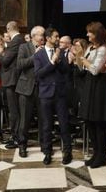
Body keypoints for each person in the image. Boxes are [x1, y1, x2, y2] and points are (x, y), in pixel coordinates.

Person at [34, 27, 72, 165]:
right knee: (46, 125)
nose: (58, 39)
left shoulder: (61, 52)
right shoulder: (38, 54)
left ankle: (67, 151)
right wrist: (52, 62)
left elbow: (66, 70)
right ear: (48, 38)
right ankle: (47, 151)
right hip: (45, 94)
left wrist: (59, 60)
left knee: (64, 124)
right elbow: (38, 74)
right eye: (56, 36)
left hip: (60, 94)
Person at [78, 22, 106, 168]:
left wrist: (84, 60)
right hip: (89, 86)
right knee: (89, 122)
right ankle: (96, 153)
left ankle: (101, 155)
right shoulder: (91, 48)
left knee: (98, 123)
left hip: (99, 88)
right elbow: (82, 68)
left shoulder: (103, 49)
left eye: (90, 33)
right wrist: (80, 58)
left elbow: (94, 70)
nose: (87, 35)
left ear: (97, 34)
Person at [15, 26, 45, 158]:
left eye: (43, 35)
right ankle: (22, 145)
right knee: (25, 119)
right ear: (33, 36)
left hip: (42, 88)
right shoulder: (24, 47)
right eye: (40, 35)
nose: (43, 37)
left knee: (44, 119)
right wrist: (35, 56)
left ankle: (45, 145)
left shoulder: (46, 48)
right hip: (26, 88)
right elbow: (20, 64)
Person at [0, 21, 25, 149]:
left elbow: (6, 61)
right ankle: (16, 136)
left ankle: (16, 138)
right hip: (14, 80)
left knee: (14, 111)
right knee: (15, 111)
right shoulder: (20, 39)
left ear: (8, 29)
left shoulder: (16, 40)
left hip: (12, 80)